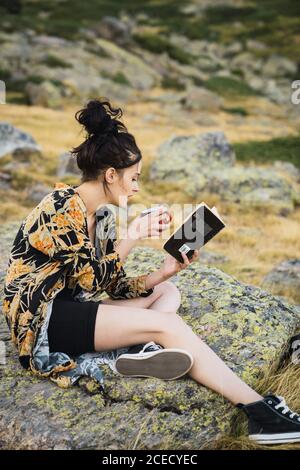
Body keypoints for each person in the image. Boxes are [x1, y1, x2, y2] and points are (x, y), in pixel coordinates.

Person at [3, 98, 300, 446]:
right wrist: (133, 235)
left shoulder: (103, 219)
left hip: (73, 313)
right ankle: (258, 412)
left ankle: (137, 353)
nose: (137, 187)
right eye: (134, 178)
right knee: (169, 324)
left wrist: (163, 272)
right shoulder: (59, 207)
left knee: (167, 293)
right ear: (111, 175)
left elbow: (113, 285)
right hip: (43, 323)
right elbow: (92, 280)